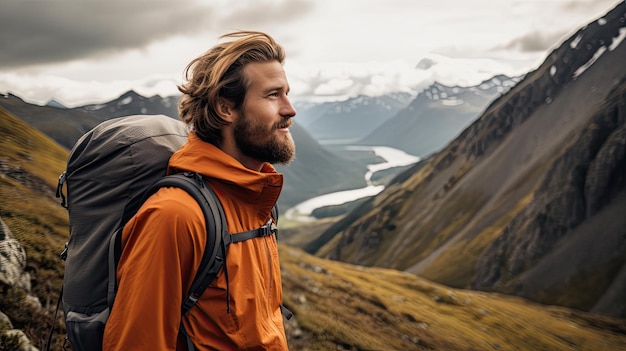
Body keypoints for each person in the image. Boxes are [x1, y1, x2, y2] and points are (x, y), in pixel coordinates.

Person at [103, 31, 296, 350]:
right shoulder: (175, 216)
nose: (290, 109)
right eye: (273, 95)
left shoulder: (256, 200)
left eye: (287, 93)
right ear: (226, 108)